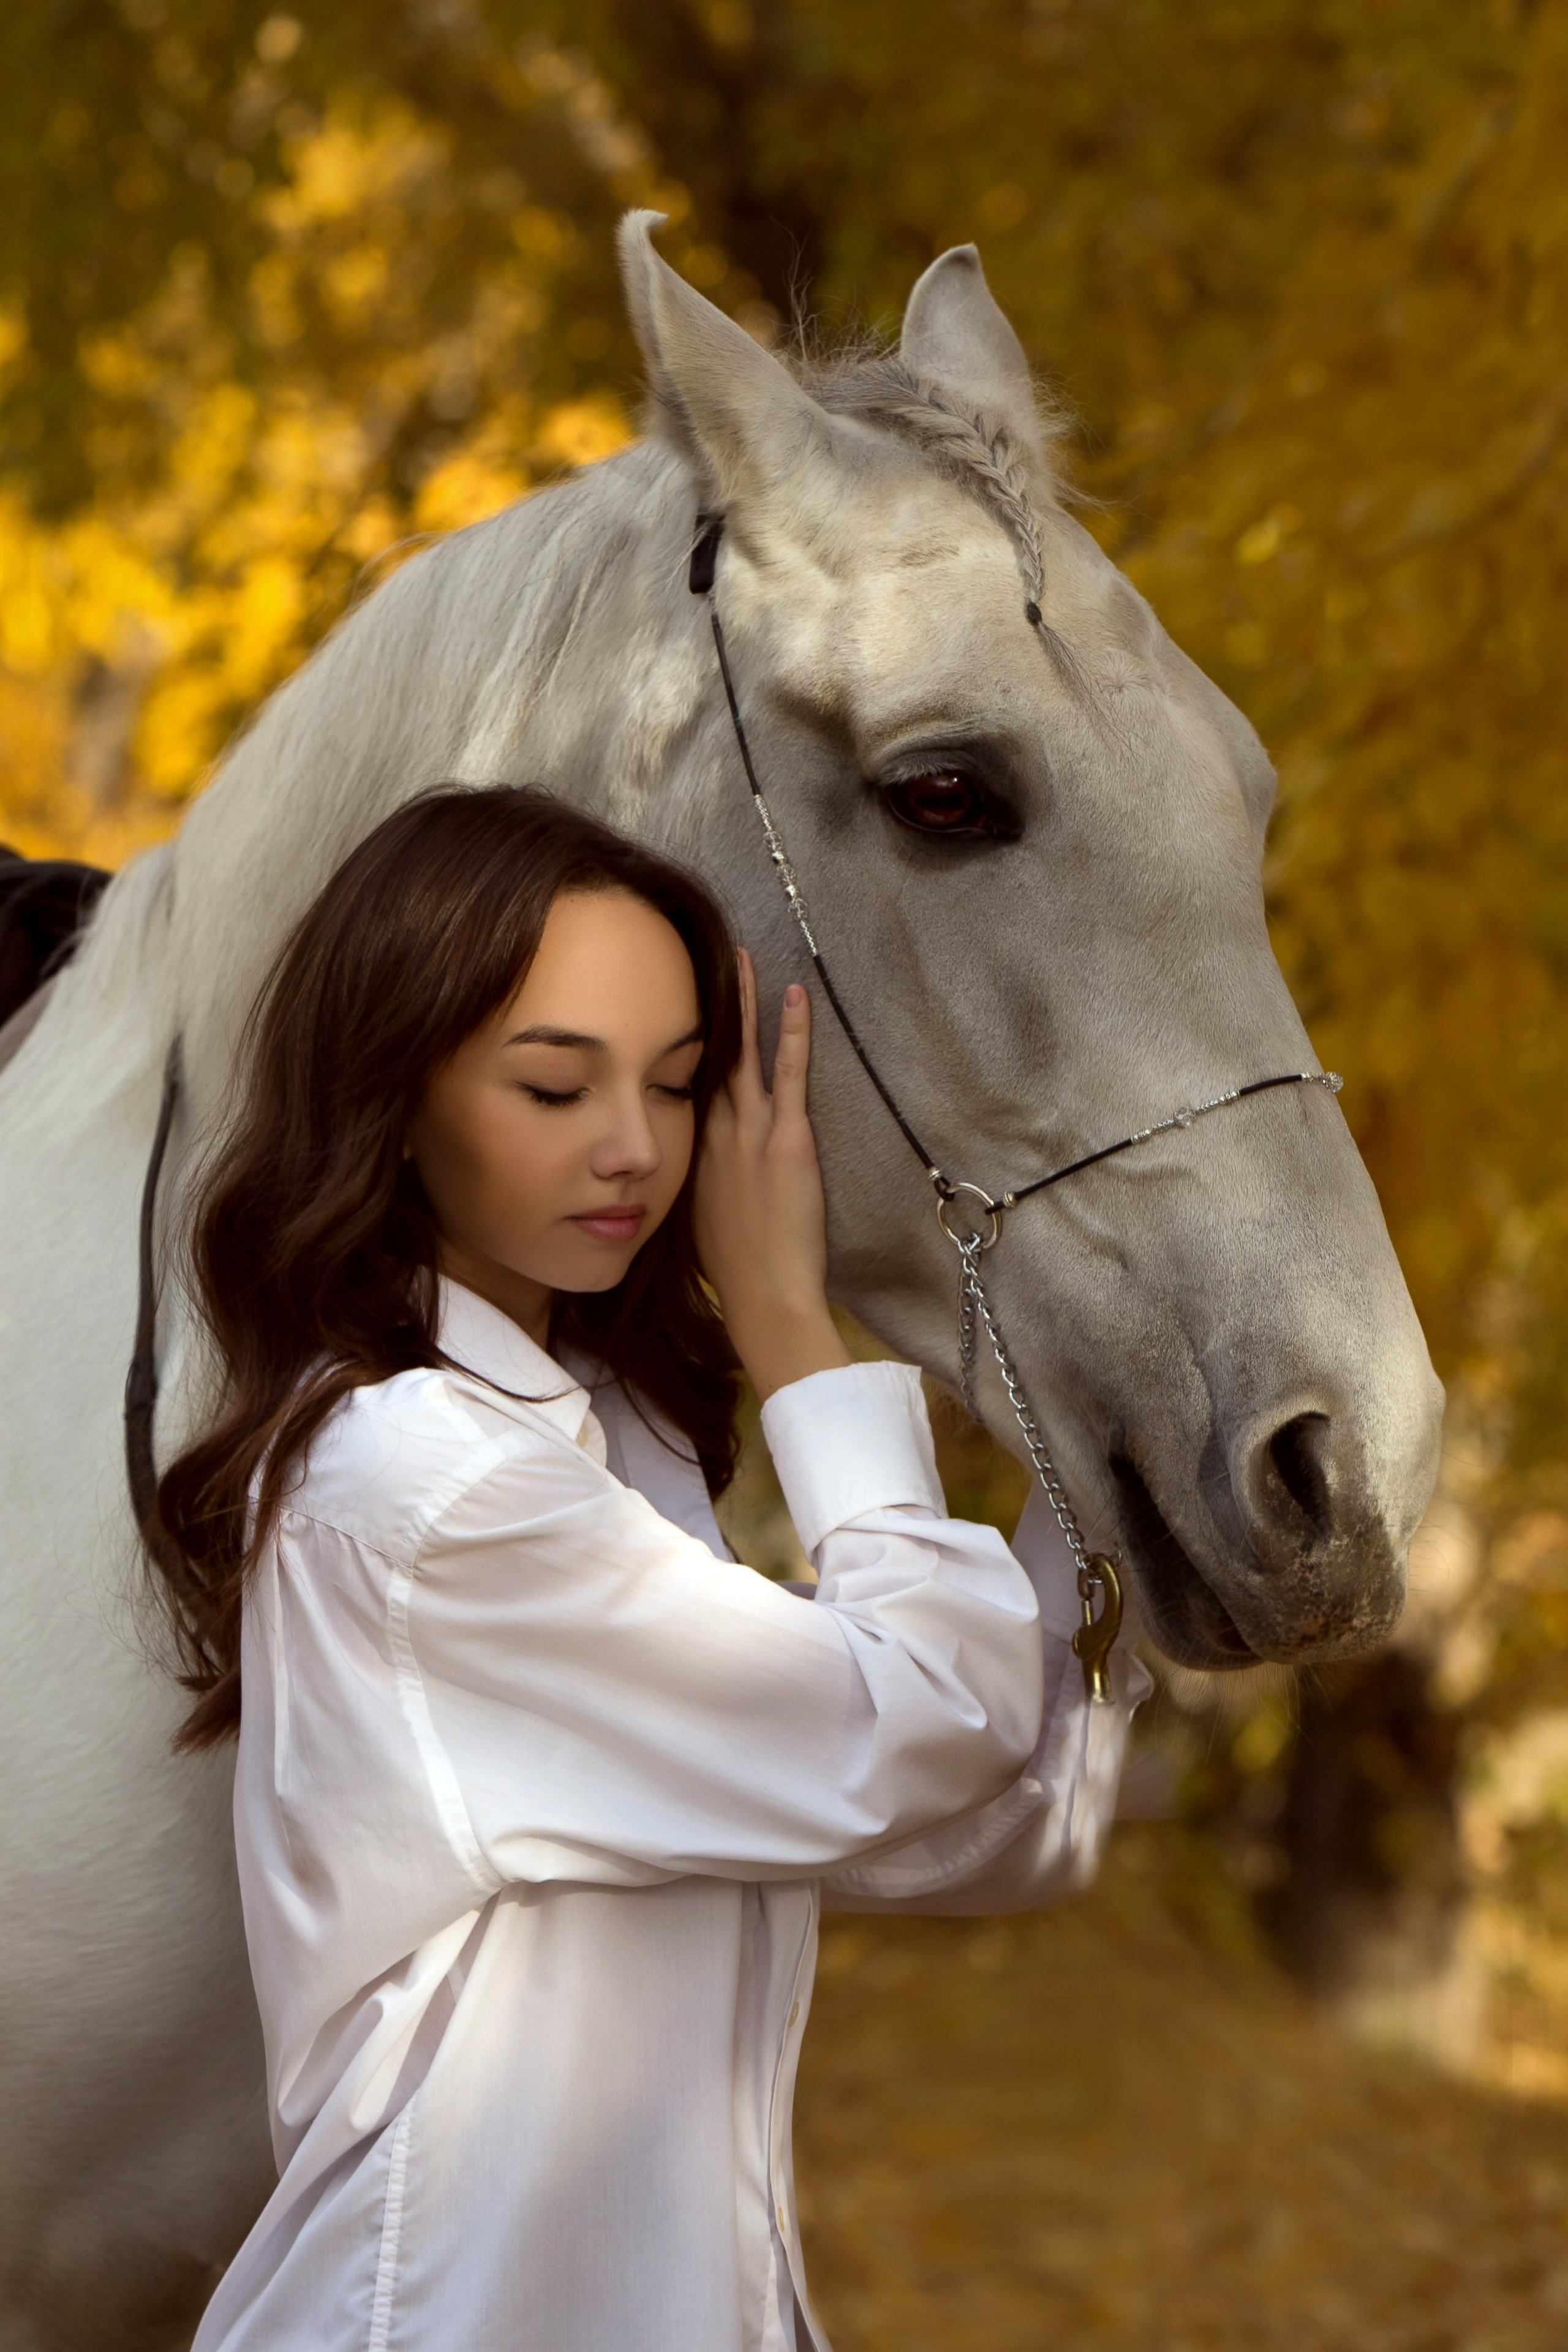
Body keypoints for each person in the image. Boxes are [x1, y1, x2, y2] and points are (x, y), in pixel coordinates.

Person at [152, 783, 1147, 2352]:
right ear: (391, 1092)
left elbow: (965, 1827)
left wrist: (1116, 1475)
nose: (633, 1151)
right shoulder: (428, 1484)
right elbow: (912, 1733)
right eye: (554, 1089)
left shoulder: (614, 1443)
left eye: (678, 1087)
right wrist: (786, 1318)